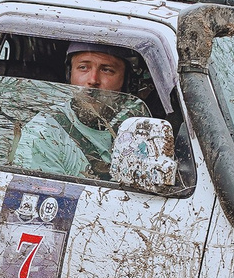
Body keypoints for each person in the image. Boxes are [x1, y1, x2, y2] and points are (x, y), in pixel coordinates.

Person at [13, 42, 143, 180]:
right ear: (70, 75)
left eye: (107, 70)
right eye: (83, 67)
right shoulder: (44, 130)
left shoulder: (138, 127)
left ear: (126, 80)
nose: (93, 80)